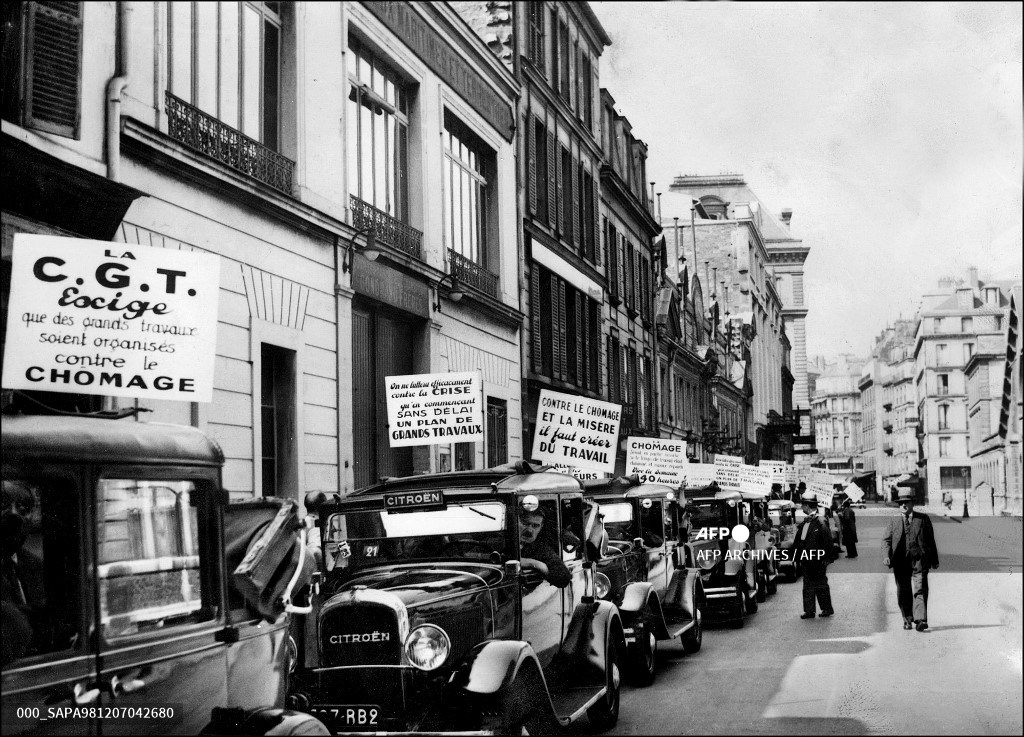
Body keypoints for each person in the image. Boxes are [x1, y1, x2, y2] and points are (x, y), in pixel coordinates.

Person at [882, 489, 939, 632]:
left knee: (920, 588)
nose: (903, 505)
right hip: (900, 561)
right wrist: (886, 556)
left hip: (919, 560)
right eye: (901, 503)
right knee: (903, 590)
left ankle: (920, 620)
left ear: (912, 504)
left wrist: (934, 560)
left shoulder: (923, 519)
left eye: (906, 502)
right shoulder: (894, 520)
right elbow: (886, 540)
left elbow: (930, 541)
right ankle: (907, 619)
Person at [793, 490, 835, 619]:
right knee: (808, 585)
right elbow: (801, 540)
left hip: (818, 560)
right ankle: (809, 611)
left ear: (807, 506)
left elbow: (828, 540)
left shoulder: (820, 520)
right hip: (807, 559)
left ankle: (826, 609)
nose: (801, 507)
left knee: (821, 584)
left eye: (803, 505)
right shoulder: (806, 521)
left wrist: (827, 558)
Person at [519, 508, 571, 588]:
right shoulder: (501, 542)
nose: (529, 530)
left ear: (541, 527)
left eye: (535, 526)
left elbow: (563, 577)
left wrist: (535, 564)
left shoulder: (540, 548)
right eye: (525, 523)